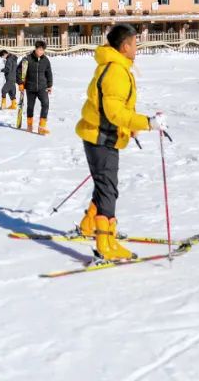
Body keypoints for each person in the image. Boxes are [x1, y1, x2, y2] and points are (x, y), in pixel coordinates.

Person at [74, 24, 166, 261]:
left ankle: (88, 226)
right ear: (125, 47)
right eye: (135, 43)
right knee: (108, 190)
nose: (137, 48)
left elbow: (116, 109)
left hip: (101, 135)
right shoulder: (116, 71)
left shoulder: (118, 67)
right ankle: (105, 244)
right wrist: (147, 122)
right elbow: (114, 112)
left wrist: (131, 126)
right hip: (100, 137)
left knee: (106, 186)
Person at [17, 40, 52, 134]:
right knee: (30, 106)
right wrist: (20, 83)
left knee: (46, 104)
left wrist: (49, 85)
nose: (41, 52)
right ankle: (29, 125)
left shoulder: (46, 60)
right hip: (30, 87)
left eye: (43, 50)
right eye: (39, 49)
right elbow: (19, 71)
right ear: (35, 49)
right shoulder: (27, 59)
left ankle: (42, 126)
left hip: (42, 87)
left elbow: (49, 73)